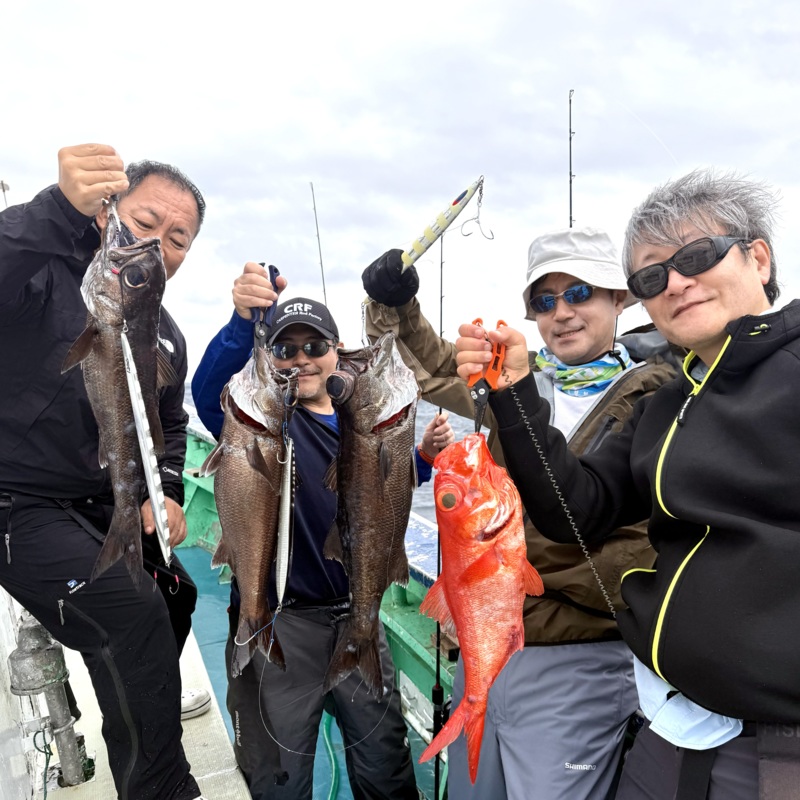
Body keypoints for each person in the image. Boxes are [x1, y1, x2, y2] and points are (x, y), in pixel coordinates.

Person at [454, 169, 798, 800]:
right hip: (675, 723)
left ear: (758, 257)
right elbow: (573, 511)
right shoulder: (667, 406)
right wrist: (514, 393)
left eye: (696, 256)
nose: (676, 282)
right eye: (652, 276)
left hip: (779, 745)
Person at [362, 228, 678, 799]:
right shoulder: (515, 384)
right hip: (486, 646)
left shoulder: (661, 400)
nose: (563, 313)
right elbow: (434, 368)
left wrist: (518, 570)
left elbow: (620, 542)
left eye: (580, 292)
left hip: (577, 656)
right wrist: (399, 305)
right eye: (544, 300)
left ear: (619, 298)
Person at [191, 264, 453, 800]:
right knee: (280, 777)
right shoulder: (263, 421)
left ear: (337, 351)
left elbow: (378, 489)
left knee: (386, 768)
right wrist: (244, 325)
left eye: (314, 346)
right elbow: (208, 387)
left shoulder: (361, 416)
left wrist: (421, 457)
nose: (300, 359)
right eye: (285, 350)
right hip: (283, 623)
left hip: (358, 612)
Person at [0, 143, 208, 800]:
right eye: (145, 223)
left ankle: (137, 740)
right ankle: (164, 790)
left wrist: (165, 491)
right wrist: (56, 211)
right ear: (106, 211)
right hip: (15, 503)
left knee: (174, 597)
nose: (160, 245)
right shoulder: (38, 274)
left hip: (100, 503)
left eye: (178, 239)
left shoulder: (165, 332)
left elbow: (169, 427)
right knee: (133, 613)